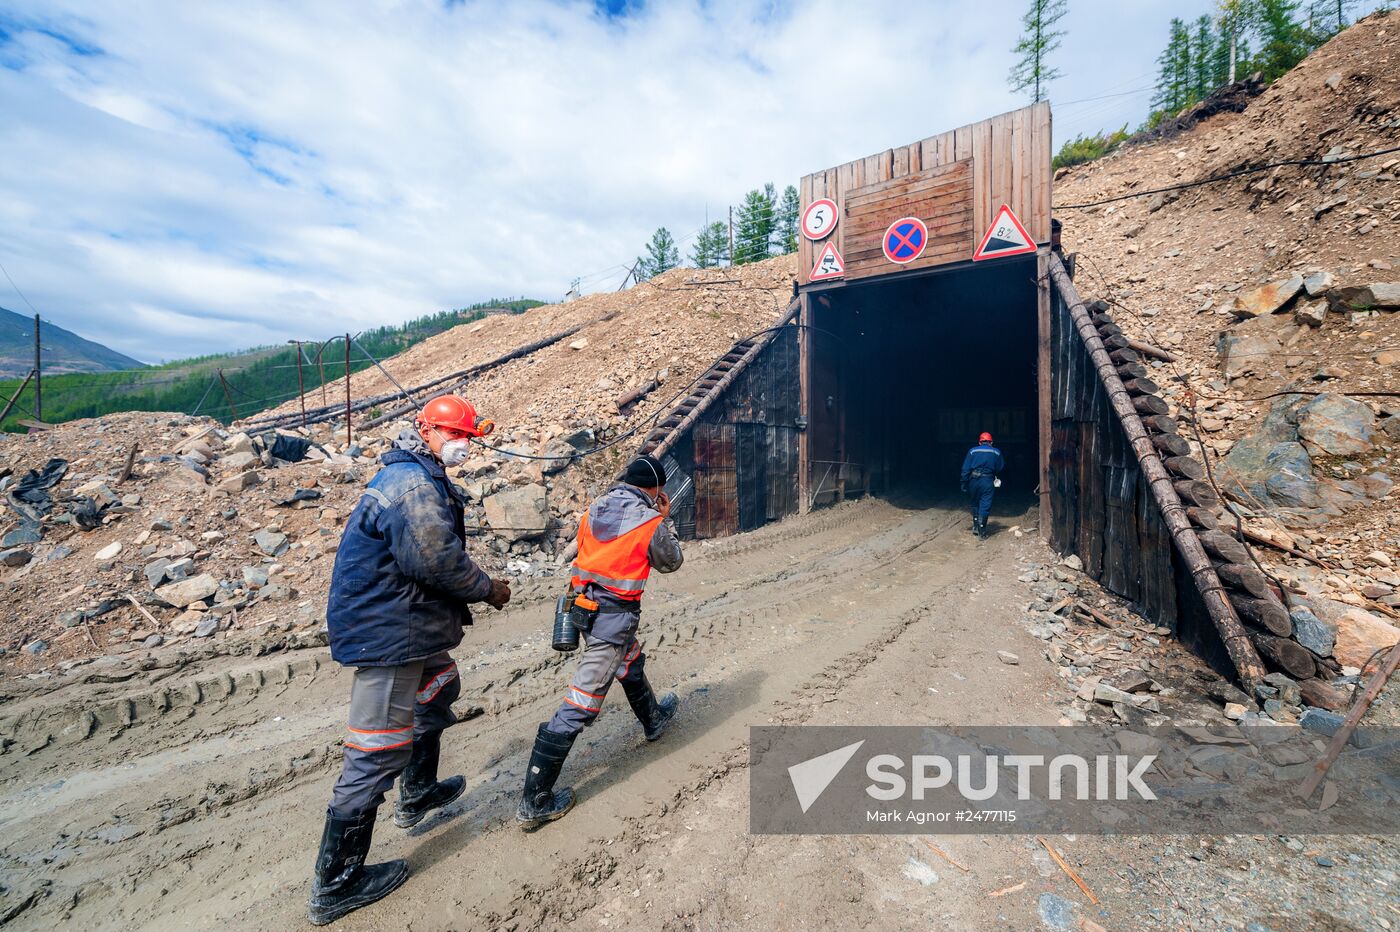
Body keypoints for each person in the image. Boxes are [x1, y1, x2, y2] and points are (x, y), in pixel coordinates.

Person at [308, 394, 512, 926]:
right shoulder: (415, 486)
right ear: (428, 430)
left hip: (408, 622)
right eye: (459, 436)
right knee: (374, 752)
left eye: (470, 438)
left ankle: (417, 793)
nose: (465, 446)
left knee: (439, 685)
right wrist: (487, 589)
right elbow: (438, 561)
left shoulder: (418, 475)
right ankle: (337, 883)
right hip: (389, 632)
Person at [516, 453, 684, 829]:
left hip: (585, 610)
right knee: (580, 702)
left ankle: (654, 719)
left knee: (631, 662)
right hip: (613, 620)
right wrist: (664, 517)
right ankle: (535, 799)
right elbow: (671, 561)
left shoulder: (595, 509)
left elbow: (588, 554)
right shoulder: (649, 520)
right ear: (655, 489)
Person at [960, 431, 1004, 540]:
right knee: (985, 504)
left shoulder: (972, 451)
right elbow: (1000, 467)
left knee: (975, 503)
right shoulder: (996, 452)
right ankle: (982, 531)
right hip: (987, 480)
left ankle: (975, 526)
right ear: (991, 442)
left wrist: (964, 482)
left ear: (979, 442)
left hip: (973, 480)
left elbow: (965, 469)